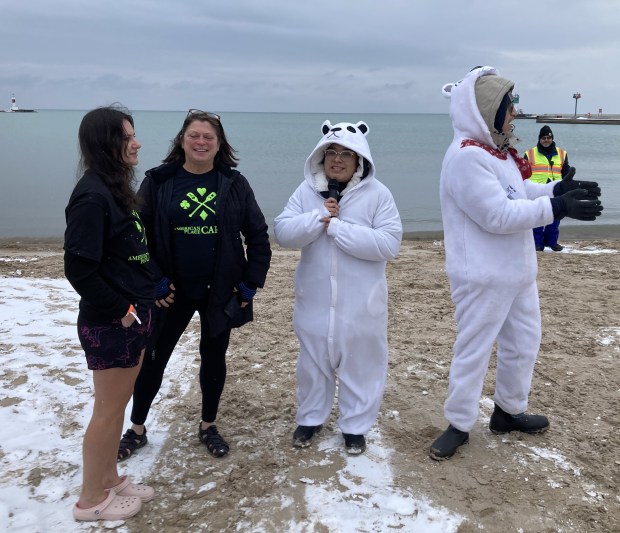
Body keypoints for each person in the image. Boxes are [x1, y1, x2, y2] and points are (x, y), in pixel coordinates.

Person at [430, 66, 603, 461]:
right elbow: (497, 215)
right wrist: (557, 207)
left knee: (523, 343)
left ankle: (508, 410)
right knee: (474, 349)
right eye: (510, 105)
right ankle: (459, 422)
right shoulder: (465, 158)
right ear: (486, 109)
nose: (515, 112)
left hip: (518, 271)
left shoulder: (497, 150)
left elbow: (519, 190)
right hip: (483, 275)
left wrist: (557, 187)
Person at [117, 109, 271, 461]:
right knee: (153, 361)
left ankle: (208, 425)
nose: (201, 142)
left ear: (219, 145)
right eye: (194, 136)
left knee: (213, 358)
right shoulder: (158, 181)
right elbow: (135, 236)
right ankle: (137, 429)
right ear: (182, 141)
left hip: (220, 291)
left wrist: (250, 285)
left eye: (208, 137)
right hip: (171, 293)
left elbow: (258, 236)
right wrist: (155, 281)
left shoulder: (234, 184)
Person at [274, 120, 402, 455]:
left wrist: (339, 229)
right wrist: (317, 218)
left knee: (362, 365)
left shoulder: (379, 195)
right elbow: (283, 232)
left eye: (347, 153)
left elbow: (389, 244)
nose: (337, 159)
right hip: (313, 302)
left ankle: (355, 426)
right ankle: (311, 418)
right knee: (313, 363)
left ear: (360, 159)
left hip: (362, 306)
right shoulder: (307, 193)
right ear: (321, 156)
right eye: (331, 152)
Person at [64, 105, 157, 521]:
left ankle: (110, 478)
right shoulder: (91, 196)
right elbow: (78, 268)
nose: (136, 143)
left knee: (116, 406)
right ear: (106, 144)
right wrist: (121, 309)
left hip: (131, 315)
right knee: (106, 411)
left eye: (133, 134)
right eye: (126, 137)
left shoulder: (112, 186)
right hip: (111, 321)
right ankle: (90, 500)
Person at [524, 125, 572, 251]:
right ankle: (537, 243)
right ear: (539, 139)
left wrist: (567, 186)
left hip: (555, 189)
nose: (546, 140)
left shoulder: (562, 153)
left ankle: (552, 242)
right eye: (544, 138)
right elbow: (523, 173)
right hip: (536, 189)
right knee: (537, 217)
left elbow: (566, 172)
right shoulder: (529, 153)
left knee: (555, 216)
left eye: (548, 138)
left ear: (552, 138)